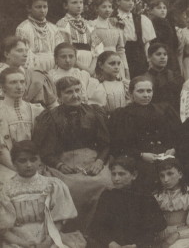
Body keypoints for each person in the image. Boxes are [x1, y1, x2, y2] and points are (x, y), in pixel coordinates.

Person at [32, 76, 112, 231]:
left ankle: (98, 231)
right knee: (69, 187)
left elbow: (106, 143)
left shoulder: (94, 112)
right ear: (59, 96)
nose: (75, 95)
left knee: (104, 183)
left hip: (92, 159)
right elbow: (45, 150)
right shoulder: (50, 117)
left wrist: (100, 162)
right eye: (69, 92)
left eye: (77, 90)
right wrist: (59, 164)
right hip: (62, 161)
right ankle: (74, 230)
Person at [2, 140, 82, 248]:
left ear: (39, 160)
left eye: (33, 159)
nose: (29, 165)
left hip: (48, 239)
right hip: (17, 242)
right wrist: (24, 244)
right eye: (22, 161)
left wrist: (47, 242)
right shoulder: (6, 189)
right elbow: (3, 230)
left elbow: (58, 220)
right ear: (14, 162)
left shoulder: (52, 185)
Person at [108, 76, 181, 192]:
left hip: (166, 155)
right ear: (131, 93)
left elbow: (179, 135)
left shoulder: (164, 109)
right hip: (138, 158)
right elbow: (119, 145)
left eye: (149, 91)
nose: (146, 95)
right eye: (140, 91)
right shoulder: (122, 115)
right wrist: (141, 155)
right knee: (147, 174)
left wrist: (173, 149)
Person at [88, 155, 166, 248]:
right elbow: (96, 227)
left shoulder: (144, 196)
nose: (116, 178)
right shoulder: (107, 195)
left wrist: (136, 245)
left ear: (134, 175)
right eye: (113, 174)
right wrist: (111, 244)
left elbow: (155, 228)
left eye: (121, 174)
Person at [153, 157, 189, 248]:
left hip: (184, 238)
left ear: (180, 174)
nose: (166, 179)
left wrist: (177, 234)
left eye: (170, 174)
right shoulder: (156, 197)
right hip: (160, 237)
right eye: (162, 175)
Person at [0, 68, 44, 175]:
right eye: (13, 82)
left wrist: (35, 165)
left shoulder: (37, 110)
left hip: (35, 164)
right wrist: (17, 170)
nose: (19, 86)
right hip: (6, 165)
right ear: (3, 87)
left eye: (22, 82)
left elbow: (43, 143)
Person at [0, 35, 58, 108]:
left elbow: (52, 104)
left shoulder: (33, 73)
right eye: (20, 51)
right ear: (7, 54)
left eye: (26, 51)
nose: (25, 55)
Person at [114, 0, 157, 78]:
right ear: (118, 1)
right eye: (127, 0)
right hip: (121, 53)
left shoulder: (140, 19)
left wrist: (148, 59)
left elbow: (146, 43)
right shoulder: (113, 18)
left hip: (138, 55)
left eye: (133, 0)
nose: (131, 3)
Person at [16, 0, 64, 71]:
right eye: (38, 7)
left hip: (55, 67)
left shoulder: (54, 28)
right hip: (33, 67)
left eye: (45, 7)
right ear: (29, 8)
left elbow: (60, 50)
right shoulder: (23, 28)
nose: (42, 10)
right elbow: (24, 53)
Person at [56, 0, 100, 73]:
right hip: (72, 64)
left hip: (91, 64)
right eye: (74, 2)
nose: (79, 5)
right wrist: (84, 69)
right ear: (65, 5)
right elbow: (62, 50)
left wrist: (91, 69)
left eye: (81, 2)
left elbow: (97, 48)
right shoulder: (62, 24)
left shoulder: (89, 25)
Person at [90, 0, 130, 79]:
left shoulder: (116, 25)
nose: (107, 10)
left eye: (110, 7)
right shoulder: (92, 25)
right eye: (104, 7)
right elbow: (94, 48)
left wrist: (126, 68)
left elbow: (121, 49)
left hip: (117, 62)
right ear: (97, 8)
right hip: (101, 62)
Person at [143, 42, 184, 111]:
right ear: (149, 57)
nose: (163, 57)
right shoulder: (145, 79)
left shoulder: (175, 76)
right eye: (158, 54)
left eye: (165, 54)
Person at [148, 0, 180, 73]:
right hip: (158, 55)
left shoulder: (169, 23)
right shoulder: (151, 24)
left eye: (164, 8)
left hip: (171, 55)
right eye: (159, 8)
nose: (162, 10)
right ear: (151, 11)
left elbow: (175, 43)